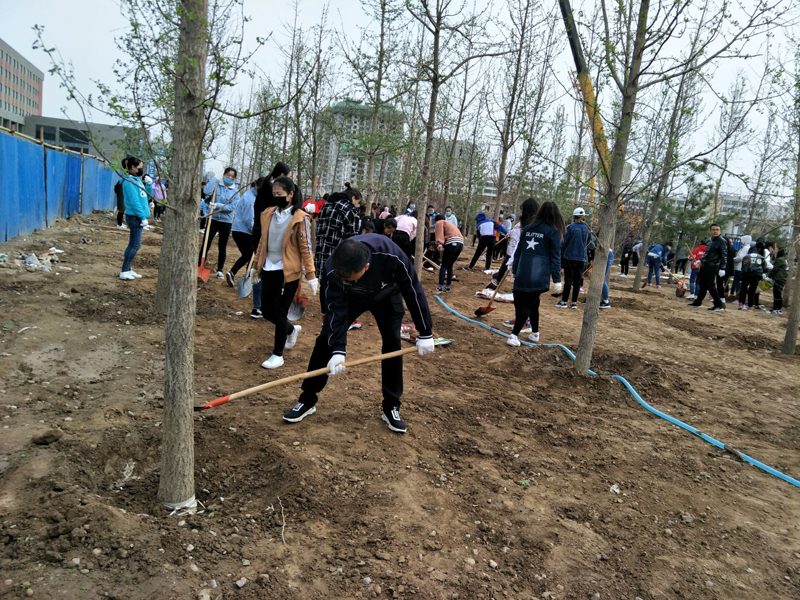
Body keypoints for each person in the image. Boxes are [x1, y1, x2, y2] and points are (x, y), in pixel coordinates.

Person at [282, 235, 434, 434]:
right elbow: (335, 311)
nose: (346, 279)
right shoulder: (333, 268)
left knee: (392, 343)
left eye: (350, 277)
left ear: (366, 267)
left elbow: (412, 289)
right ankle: (307, 399)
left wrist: (425, 332)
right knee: (325, 339)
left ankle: (391, 406)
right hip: (350, 297)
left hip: (387, 294)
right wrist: (338, 349)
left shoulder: (391, 254)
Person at [251, 176, 317, 369]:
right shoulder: (268, 214)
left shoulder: (300, 218)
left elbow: (306, 248)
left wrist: (311, 276)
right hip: (269, 267)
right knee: (266, 310)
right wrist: (256, 265)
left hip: (288, 273)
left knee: (280, 312)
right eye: (274, 194)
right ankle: (290, 330)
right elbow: (263, 241)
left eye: (279, 194)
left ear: (290, 195)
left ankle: (277, 355)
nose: (276, 197)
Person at [507, 202, 565, 346]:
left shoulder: (528, 228)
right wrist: (557, 280)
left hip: (523, 271)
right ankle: (515, 336)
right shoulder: (553, 232)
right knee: (529, 303)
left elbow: (518, 251)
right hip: (538, 274)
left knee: (528, 303)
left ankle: (533, 333)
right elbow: (555, 258)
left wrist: (515, 270)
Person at [314, 182, 363, 292]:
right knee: (337, 291)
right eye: (357, 202)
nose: (357, 205)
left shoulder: (326, 205)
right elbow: (354, 239)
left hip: (321, 256)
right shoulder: (349, 210)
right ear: (353, 198)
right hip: (338, 259)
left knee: (324, 288)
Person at [199, 167, 240, 279]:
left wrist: (218, 205)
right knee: (206, 243)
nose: (230, 178)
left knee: (222, 246)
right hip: (213, 219)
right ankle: (199, 265)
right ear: (224, 175)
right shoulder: (217, 185)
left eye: (232, 177)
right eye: (228, 175)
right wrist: (213, 179)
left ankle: (220, 270)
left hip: (226, 221)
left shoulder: (235, 191)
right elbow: (206, 192)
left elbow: (231, 207)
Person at [225, 178, 262, 289]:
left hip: (241, 230)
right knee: (250, 255)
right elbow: (249, 220)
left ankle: (235, 273)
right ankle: (242, 276)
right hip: (243, 231)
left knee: (248, 255)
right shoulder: (250, 199)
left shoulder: (251, 195)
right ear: (256, 186)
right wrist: (257, 233)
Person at [118, 156, 149, 280]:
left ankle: (128, 268)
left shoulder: (137, 181)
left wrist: (149, 185)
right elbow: (134, 201)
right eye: (140, 167)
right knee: (135, 245)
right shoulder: (129, 182)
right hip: (135, 217)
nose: (141, 170)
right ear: (132, 167)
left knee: (133, 244)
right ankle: (124, 270)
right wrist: (142, 217)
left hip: (138, 216)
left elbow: (145, 196)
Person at [556, 207, 590, 309]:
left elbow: (563, 242)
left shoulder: (570, 228)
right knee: (577, 282)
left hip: (569, 258)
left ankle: (564, 301)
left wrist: (561, 254)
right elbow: (589, 243)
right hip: (581, 259)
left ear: (574, 217)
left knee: (568, 280)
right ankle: (574, 302)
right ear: (583, 217)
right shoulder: (587, 229)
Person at [688, 224, 727, 311]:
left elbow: (724, 255)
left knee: (710, 286)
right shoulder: (710, 240)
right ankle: (698, 302)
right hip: (705, 265)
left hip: (713, 266)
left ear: (720, 231)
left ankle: (718, 305)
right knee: (702, 285)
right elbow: (706, 254)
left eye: (717, 229)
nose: (715, 231)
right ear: (710, 231)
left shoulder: (722, 241)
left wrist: (723, 268)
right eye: (713, 229)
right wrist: (700, 260)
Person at [434, 214, 464, 292]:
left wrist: (439, 244)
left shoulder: (440, 222)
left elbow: (439, 234)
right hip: (460, 244)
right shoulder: (450, 224)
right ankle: (448, 287)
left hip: (452, 243)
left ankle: (440, 286)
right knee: (450, 265)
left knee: (444, 265)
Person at [737, 240, 767, 310]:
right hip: (756, 275)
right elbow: (764, 267)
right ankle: (750, 306)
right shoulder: (761, 257)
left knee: (743, 289)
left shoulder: (746, 257)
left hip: (746, 274)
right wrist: (762, 274)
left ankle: (741, 304)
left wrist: (742, 275)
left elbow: (743, 267)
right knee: (752, 290)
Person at [767, 246, 788, 314]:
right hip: (783, 278)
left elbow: (775, 269)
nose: (775, 251)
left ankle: (775, 308)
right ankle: (778, 309)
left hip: (779, 278)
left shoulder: (779, 259)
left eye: (777, 250)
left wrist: (769, 276)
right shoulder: (784, 259)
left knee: (776, 294)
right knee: (778, 293)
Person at [732, 235, 751, 299]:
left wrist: (733, 259)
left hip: (739, 268)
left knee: (738, 283)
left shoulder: (745, 248)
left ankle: (739, 296)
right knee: (743, 284)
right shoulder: (749, 248)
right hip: (745, 269)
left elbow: (740, 258)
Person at [716, 236, 735, 303]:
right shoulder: (731, 249)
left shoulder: (722, 248)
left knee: (719, 283)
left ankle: (721, 296)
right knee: (725, 283)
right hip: (728, 269)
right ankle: (724, 295)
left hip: (722, 268)